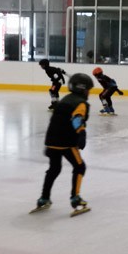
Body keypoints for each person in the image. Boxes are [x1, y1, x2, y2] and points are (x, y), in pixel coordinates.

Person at [33, 73, 93, 214]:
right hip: (66, 143)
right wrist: (81, 134)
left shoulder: (65, 100)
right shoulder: (81, 103)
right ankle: (75, 198)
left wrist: (48, 144)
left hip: (51, 140)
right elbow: (77, 119)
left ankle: (44, 198)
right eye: (88, 90)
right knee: (80, 167)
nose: (89, 93)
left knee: (54, 169)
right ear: (83, 89)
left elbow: (55, 120)